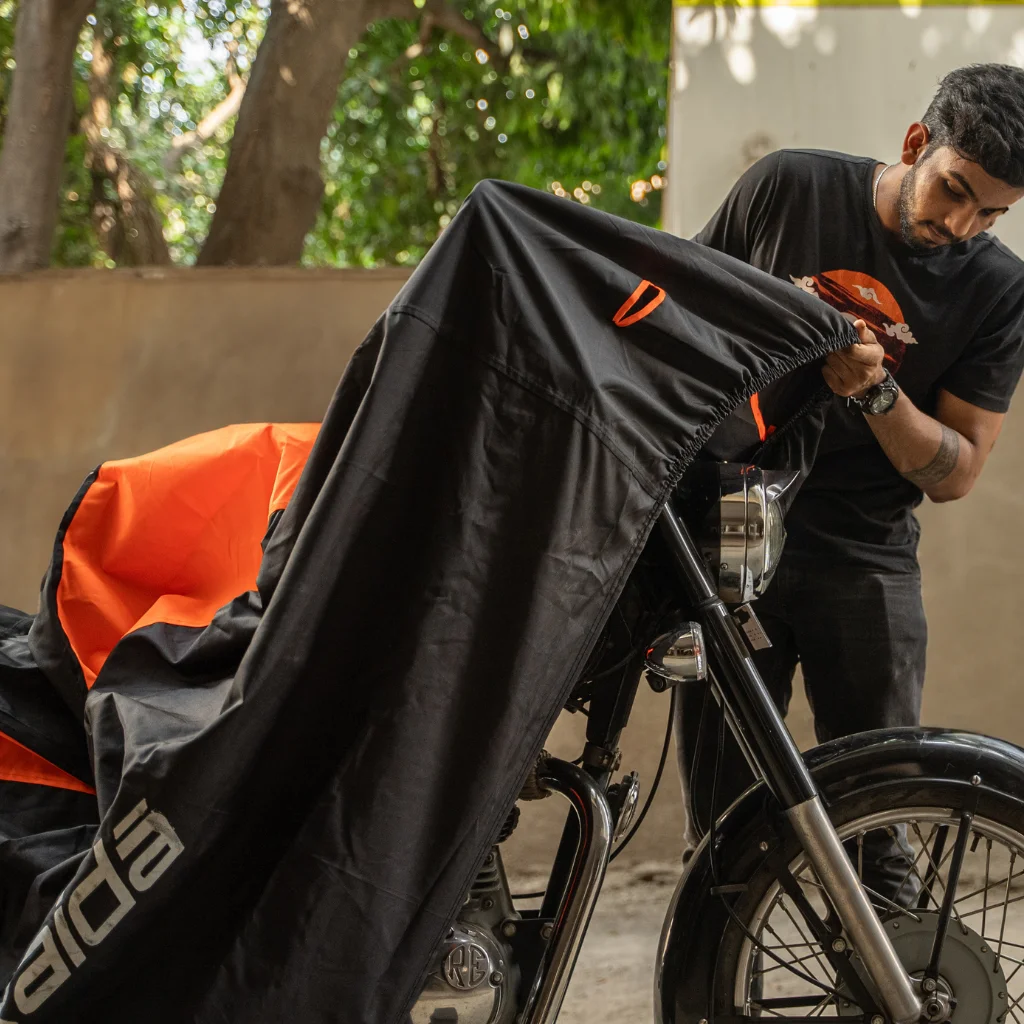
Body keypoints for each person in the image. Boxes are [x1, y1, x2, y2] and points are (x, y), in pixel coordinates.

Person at [680, 63, 1024, 903]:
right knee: (721, 832)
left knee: (881, 825)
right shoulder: (787, 187)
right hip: (731, 537)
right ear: (915, 142)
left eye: (992, 213)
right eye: (954, 190)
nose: (961, 225)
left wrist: (875, 392)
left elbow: (956, 472)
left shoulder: (999, 289)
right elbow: (681, 330)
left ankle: (890, 971)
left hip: (866, 553)